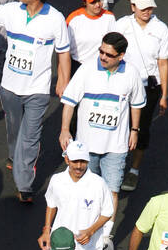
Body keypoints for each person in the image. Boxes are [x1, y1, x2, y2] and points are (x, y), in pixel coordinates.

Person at [0, 0, 71, 203]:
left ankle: (24, 185)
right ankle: (14, 155)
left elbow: (63, 51)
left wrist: (63, 80)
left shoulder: (55, 19)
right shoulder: (10, 11)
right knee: (15, 129)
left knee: (30, 136)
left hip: (37, 89)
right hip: (9, 87)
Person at [59, 30, 146, 205]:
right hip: (86, 145)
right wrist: (65, 129)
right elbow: (69, 102)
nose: (103, 57)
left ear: (121, 56)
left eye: (109, 54)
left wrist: (134, 130)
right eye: (101, 51)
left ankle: (106, 233)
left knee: (111, 191)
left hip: (116, 146)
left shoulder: (131, 73)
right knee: (84, 189)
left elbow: (136, 104)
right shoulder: (86, 69)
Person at [116, 0, 168, 189]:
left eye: (150, 7)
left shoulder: (161, 29)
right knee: (120, 125)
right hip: (122, 85)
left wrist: (164, 94)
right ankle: (117, 163)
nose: (147, 11)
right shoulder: (121, 25)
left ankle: (134, 170)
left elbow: (163, 63)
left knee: (141, 128)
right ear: (132, 7)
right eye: (142, 8)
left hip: (149, 88)